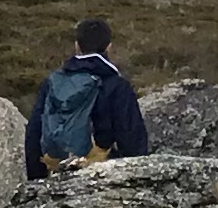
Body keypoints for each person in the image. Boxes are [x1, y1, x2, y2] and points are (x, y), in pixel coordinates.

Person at [26, 18, 150, 178]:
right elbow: (131, 137)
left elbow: (34, 133)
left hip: (55, 170)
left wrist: (36, 183)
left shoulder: (53, 82)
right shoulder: (117, 86)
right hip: (99, 174)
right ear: (108, 47)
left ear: (77, 46)